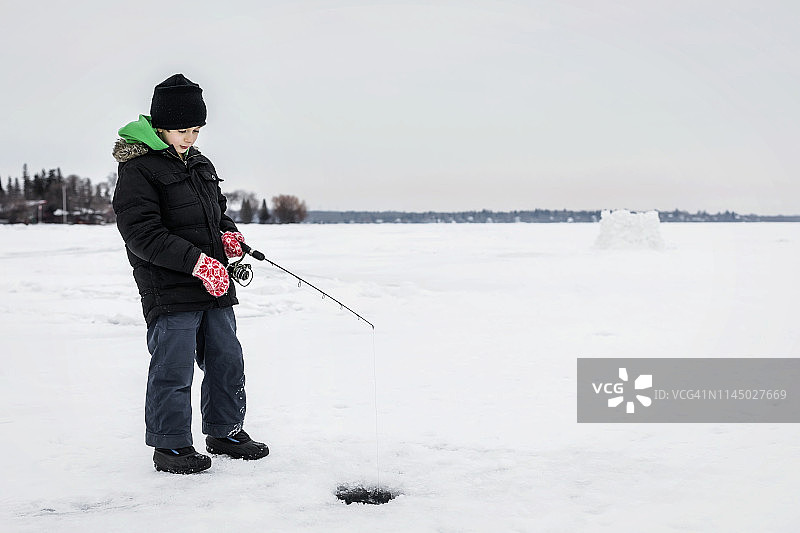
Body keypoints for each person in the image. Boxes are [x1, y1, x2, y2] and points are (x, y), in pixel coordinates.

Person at [112, 73, 269, 474]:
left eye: (196, 130)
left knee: (227, 359)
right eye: (184, 130)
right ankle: (171, 446)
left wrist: (230, 238)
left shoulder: (200, 163)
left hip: (216, 282)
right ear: (160, 126)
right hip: (170, 287)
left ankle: (225, 431)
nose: (191, 139)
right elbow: (141, 233)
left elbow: (216, 214)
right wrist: (196, 262)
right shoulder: (139, 170)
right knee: (173, 368)